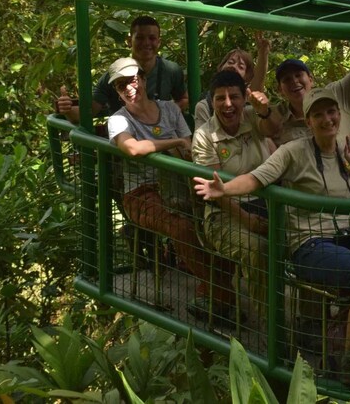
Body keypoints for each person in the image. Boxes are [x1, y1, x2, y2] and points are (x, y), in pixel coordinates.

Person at [194, 88, 350, 388]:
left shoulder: (346, 153)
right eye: (318, 114)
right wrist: (224, 189)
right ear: (308, 121)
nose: (327, 119)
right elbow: (257, 177)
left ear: (339, 115)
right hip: (310, 244)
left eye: (331, 112)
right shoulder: (293, 151)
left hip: (348, 235)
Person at [105, 57, 238, 322]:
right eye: (121, 86)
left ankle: (212, 287)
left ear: (142, 79)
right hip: (141, 192)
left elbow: (189, 150)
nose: (130, 89)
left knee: (219, 216)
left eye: (132, 81)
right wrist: (173, 141)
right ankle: (220, 291)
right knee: (181, 227)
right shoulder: (118, 120)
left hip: (178, 182)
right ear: (119, 94)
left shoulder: (168, 109)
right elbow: (132, 148)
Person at [191, 70, 282, 313]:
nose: (228, 104)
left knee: (304, 238)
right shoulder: (203, 136)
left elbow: (274, 129)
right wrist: (247, 221)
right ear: (212, 102)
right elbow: (216, 190)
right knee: (258, 249)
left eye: (234, 97)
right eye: (220, 98)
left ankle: (310, 320)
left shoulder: (252, 117)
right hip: (224, 214)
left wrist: (265, 110)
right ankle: (272, 328)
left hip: (266, 205)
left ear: (245, 98)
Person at [57, 15, 188, 122]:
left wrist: (164, 114)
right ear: (129, 41)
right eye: (140, 38)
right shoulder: (114, 75)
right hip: (127, 138)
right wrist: (67, 109)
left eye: (152, 38)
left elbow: (184, 99)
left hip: (160, 135)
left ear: (158, 42)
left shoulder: (170, 70)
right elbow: (87, 113)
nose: (146, 43)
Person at [271, 41, 350, 146]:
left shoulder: (336, 93)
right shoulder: (274, 117)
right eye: (287, 79)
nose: (294, 81)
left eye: (298, 75)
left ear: (310, 79)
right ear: (280, 90)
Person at [193, 32, 270, 129]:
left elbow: (256, 87)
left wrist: (263, 53)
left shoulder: (248, 99)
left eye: (241, 67)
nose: (233, 67)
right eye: (231, 62)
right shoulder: (205, 106)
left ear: (247, 78)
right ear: (221, 67)